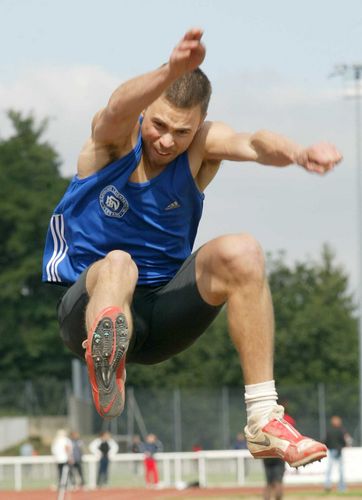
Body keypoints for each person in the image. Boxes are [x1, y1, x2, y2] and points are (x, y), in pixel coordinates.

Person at [42, 28, 342, 468]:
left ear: (198, 125)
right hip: (88, 307)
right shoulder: (112, 143)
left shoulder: (200, 147)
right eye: (159, 125)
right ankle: (108, 359)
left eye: (181, 132)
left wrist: (298, 153)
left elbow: (255, 144)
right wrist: (170, 70)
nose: (166, 141)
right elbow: (114, 108)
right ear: (146, 112)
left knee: (242, 251)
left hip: (163, 314)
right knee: (119, 264)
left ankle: (263, 418)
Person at [262, 408, 295, 500]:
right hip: (279, 452)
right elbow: (291, 435)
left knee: (268, 482)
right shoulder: (287, 420)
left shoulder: (266, 420)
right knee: (278, 482)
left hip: (267, 453)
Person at [324, 416, 349, 492]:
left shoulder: (329, 430)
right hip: (339, 451)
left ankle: (327, 485)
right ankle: (342, 487)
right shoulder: (341, 430)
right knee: (341, 470)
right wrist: (344, 446)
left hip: (331, 451)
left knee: (329, 469)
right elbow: (344, 441)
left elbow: (326, 441)